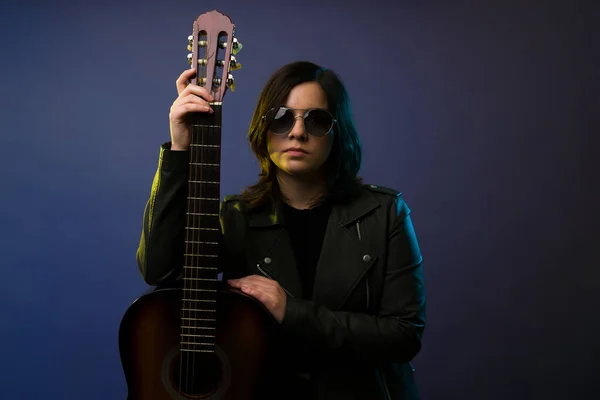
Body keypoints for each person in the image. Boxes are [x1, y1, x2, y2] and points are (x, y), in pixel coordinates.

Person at [135, 60, 426, 399]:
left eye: (316, 120)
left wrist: (292, 312)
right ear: (264, 127)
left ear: (338, 133)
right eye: (282, 118)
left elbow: (404, 336)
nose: (297, 132)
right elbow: (159, 270)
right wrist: (180, 148)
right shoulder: (236, 217)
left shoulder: (385, 213)